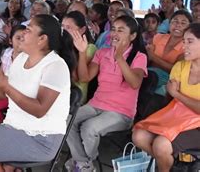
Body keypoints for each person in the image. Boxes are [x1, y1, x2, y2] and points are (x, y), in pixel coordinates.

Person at [0, 14, 76, 171]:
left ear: (42, 39)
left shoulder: (55, 66)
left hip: (41, 139)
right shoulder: (21, 59)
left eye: (28, 30)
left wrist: (6, 86)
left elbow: (40, 109)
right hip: (14, 128)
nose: (22, 34)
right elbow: (3, 95)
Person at [66, 15, 147, 171]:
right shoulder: (102, 53)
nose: (114, 34)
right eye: (114, 29)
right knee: (67, 121)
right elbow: (85, 77)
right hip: (96, 104)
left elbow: (135, 83)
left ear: (133, 36)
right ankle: (84, 163)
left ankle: (81, 163)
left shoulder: (139, 56)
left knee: (89, 128)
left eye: (121, 30)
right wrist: (82, 53)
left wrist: (119, 56)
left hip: (121, 112)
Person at [132, 23, 200, 172]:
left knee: (161, 145)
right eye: (183, 41)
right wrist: (173, 95)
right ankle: (173, 166)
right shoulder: (180, 67)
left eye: (190, 41)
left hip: (197, 127)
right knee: (139, 136)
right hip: (178, 119)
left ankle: (167, 166)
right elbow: (171, 100)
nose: (184, 46)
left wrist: (177, 94)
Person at [146, 10, 192, 96]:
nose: (178, 25)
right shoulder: (158, 37)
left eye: (183, 23)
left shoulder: (188, 47)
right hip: (149, 73)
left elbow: (175, 69)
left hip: (171, 79)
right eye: (175, 21)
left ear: (189, 28)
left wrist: (153, 57)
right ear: (169, 24)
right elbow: (146, 57)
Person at [62, 11, 97, 104]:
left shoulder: (90, 48)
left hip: (76, 96)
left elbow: (79, 78)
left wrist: (78, 51)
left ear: (82, 30)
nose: (64, 31)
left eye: (68, 28)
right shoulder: (59, 44)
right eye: (62, 26)